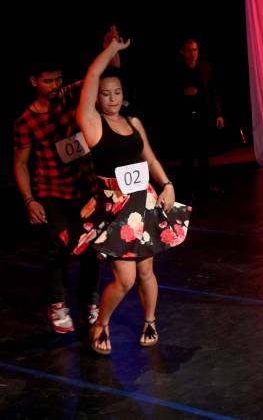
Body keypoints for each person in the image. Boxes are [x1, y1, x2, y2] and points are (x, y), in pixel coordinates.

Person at [66, 38, 191, 355]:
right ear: (96, 97)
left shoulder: (133, 122)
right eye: (105, 94)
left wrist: (167, 184)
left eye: (117, 93)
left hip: (143, 203)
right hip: (116, 209)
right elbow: (92, 76)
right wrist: (112, 50)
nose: (112, 99)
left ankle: (150, 321)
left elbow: (149, 157)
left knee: (147, 272)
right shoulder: (92, 124)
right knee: (125, 279)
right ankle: (101, 323)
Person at [12, 31, 118, 333]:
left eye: (58, 79)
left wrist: (111, 48)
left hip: (85, 186)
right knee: (58, 248)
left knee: (91, 246)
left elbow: (103, 74)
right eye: (48, 81)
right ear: (34, 81)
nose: (55, 85)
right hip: (52, 191)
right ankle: (57, 303)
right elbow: (20, 163)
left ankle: (90, 303)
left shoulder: (71, 96)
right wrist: (29, 200)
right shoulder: (26, 121)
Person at [175, 39, 224, 200]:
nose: (193, 53)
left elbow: (213, 92)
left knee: (204, 153)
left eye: (195, 50)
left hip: (204, 115)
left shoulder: (204, 67)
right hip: (186, 117)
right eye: (189, 50)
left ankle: (207, 185)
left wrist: (218, 114)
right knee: (188, 155)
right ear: (183, 52)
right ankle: (188, 189)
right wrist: (183, 93)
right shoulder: (178, 70)